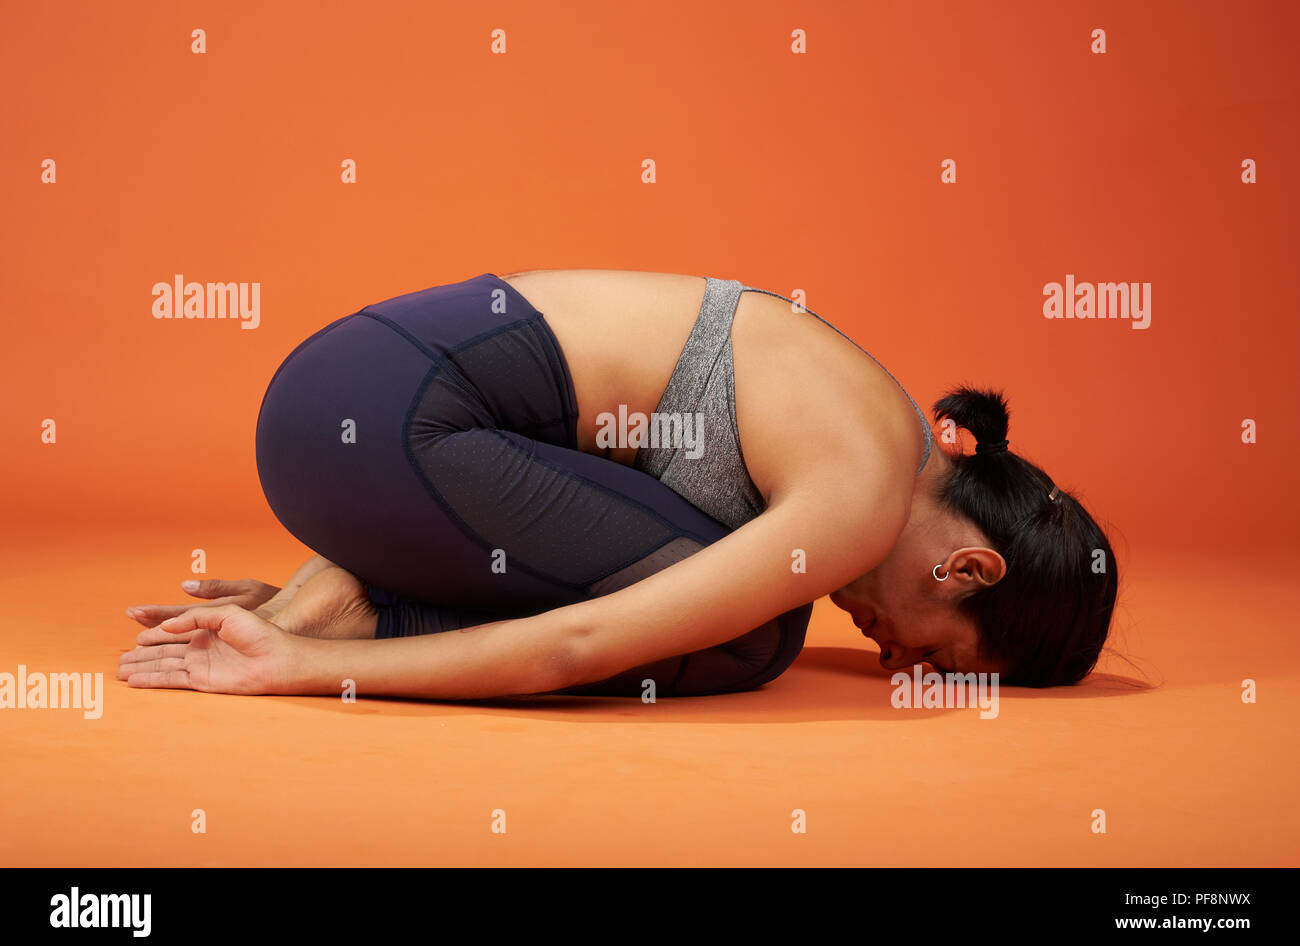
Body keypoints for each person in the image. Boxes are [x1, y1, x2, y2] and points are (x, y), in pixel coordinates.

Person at [119, 270, 1118, 699]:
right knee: (751, 636)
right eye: (939, 655)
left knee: (727, 600)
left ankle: (346, 591)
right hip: (388, 430)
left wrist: (389, 557)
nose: (900, 663)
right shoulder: (862, 492)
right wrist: (296, 669)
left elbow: (565, 486)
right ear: (969, 566)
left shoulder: (882, 421)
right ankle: (337, 625)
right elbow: (584, 639)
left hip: (331, 399)